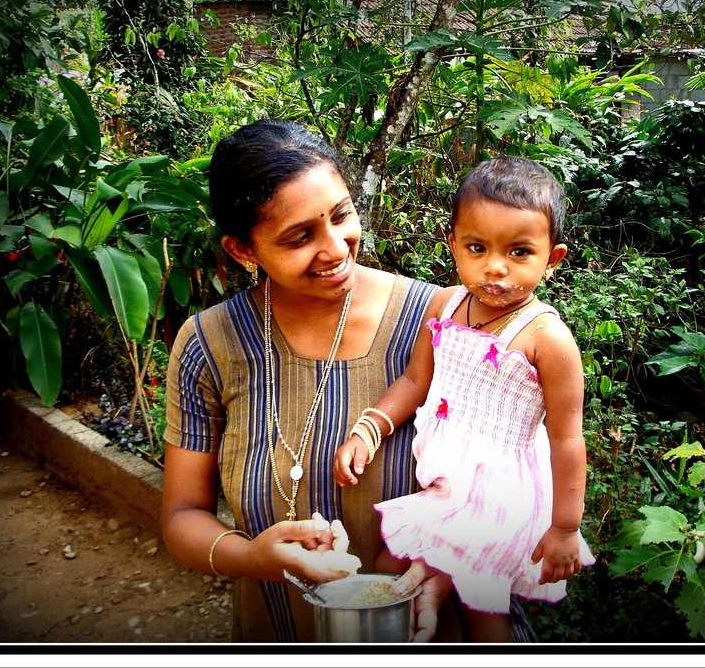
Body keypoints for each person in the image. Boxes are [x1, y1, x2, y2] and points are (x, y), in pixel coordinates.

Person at [162, 119, 472, 642]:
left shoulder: (442, 322)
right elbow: (182, 515)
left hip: (432, 628)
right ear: (242, 250)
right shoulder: (210, 345)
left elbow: (516, 475)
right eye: (300, 236)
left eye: (341, 215)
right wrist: (250, 557)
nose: (336, 248)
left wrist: (455, 556)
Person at [334, 155, 595, 642]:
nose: (494, 267)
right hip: (449, 482)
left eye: (519, 252)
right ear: (453, 243)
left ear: (551, 258)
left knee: (480, 602)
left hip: (501, 495)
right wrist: (369, 428)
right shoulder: (445, 304)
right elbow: (415, 382)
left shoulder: (547, 338)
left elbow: (567, 438)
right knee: (390, 565)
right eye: (477, 247)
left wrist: (563, 528)